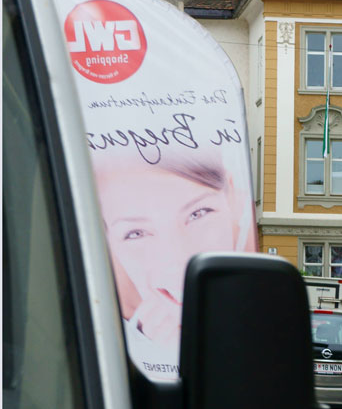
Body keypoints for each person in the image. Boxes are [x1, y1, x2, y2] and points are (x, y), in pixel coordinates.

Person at [95, 146, 255, 378]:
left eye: (198, 213)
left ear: (232, 196)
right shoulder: (100, 339)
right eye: (136, 233)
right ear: (108, 240)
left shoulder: (264, 306)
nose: (178, 260)